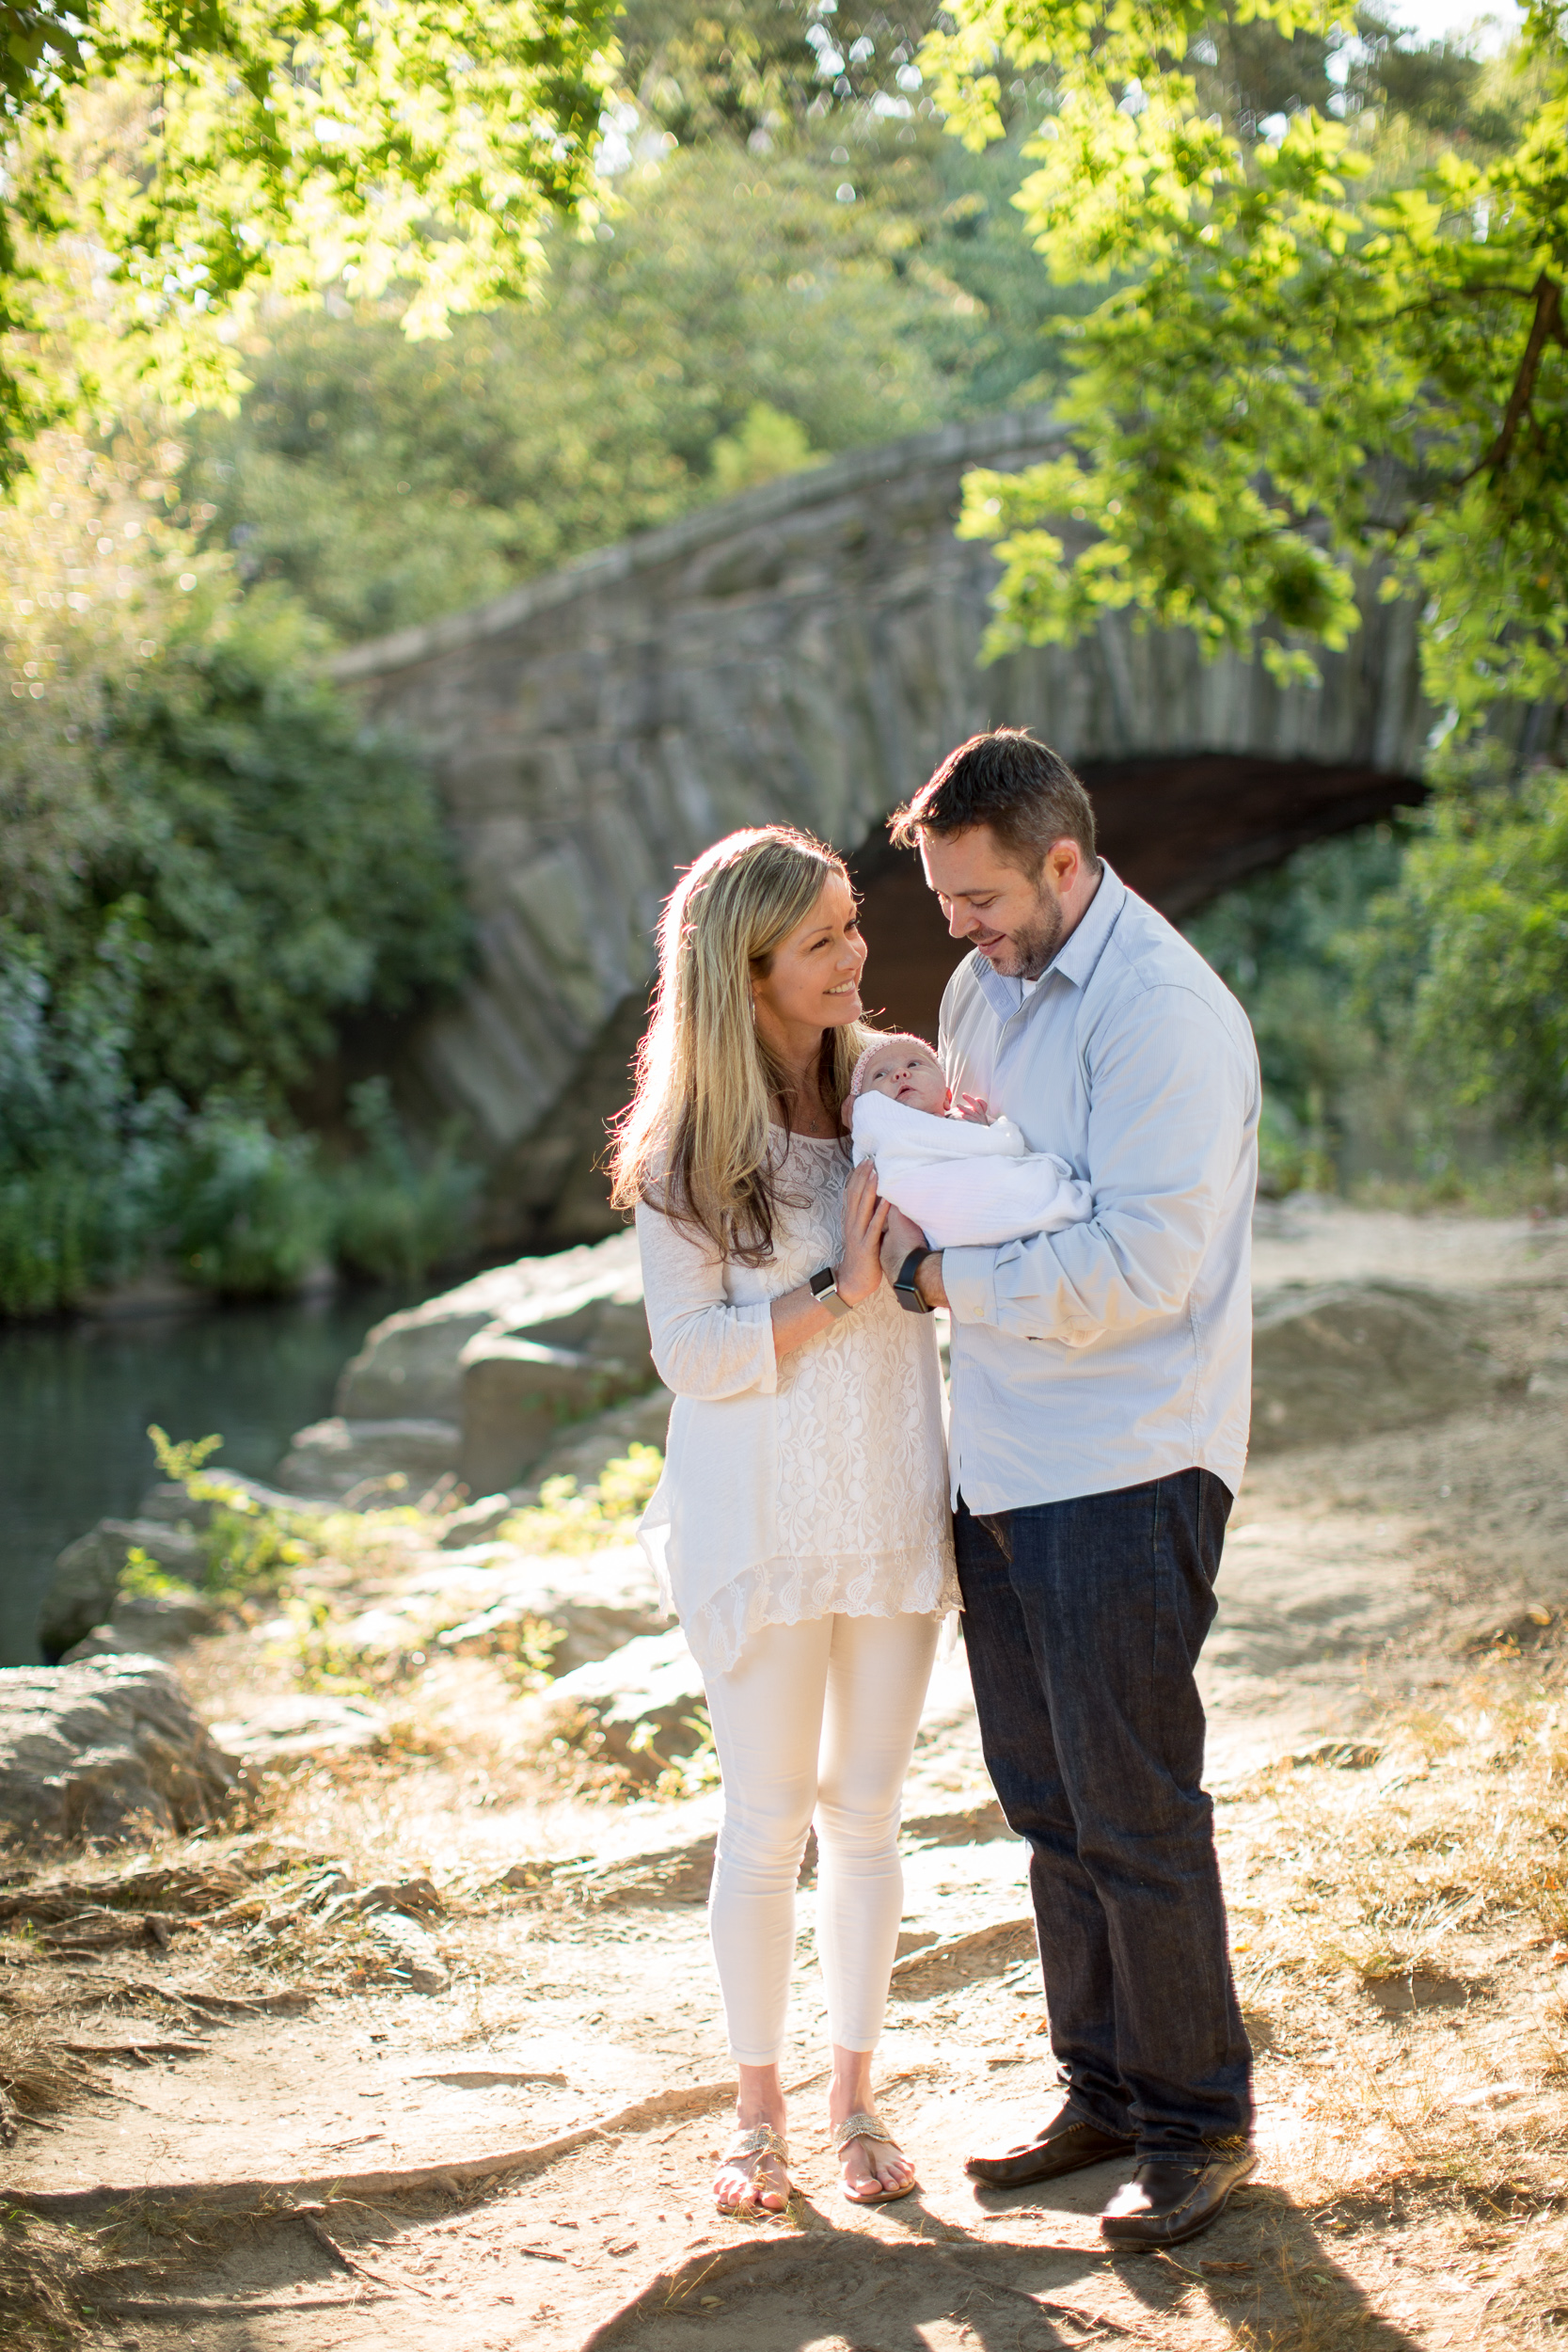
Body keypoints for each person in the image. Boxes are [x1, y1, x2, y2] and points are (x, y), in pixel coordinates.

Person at [878, 728, 1261, 2252]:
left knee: (1135, 1806)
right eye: (940, 902)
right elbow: (1008, 1175)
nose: (951, 934)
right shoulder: (985, 991)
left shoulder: (1162, 1015)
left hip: (1128, 1457)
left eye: (972, 899)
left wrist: (936, 1276)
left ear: (1060, 861)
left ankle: (1198, 2126)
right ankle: (1100, 2086)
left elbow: (1143, 1270)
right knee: (1047, 1807)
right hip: (1006, 1463)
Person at [610, 824, 958, 2218]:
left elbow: (981, 1175)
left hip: (885, 1495)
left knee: (867, 1814)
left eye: (850, 924)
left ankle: (853, 2096)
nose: (856, 954)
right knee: (765, 1822)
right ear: (744, 969)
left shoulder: (885, 1088)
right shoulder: (688, 1141)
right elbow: (690, 1354)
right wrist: (839, 1288)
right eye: (821, 939)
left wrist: (926, 1082)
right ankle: (753, 2114)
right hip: (754, 1515)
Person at [847, 1031, 1093, 1248]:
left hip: (996, 1188)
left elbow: (1005, 1147)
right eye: (880, 1074)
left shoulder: (961, 1123)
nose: (900, 1074)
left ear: (947, 1097)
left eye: (913, 1064)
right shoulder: (884, 1138)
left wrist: (986, 1128)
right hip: (941, 1206)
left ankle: (1050, 1209)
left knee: (1030, 1188)